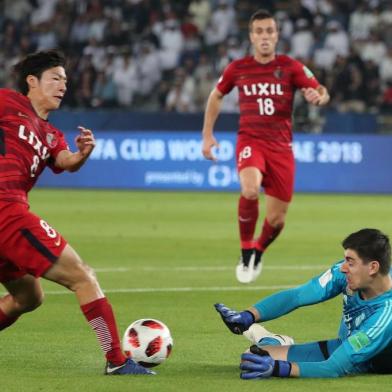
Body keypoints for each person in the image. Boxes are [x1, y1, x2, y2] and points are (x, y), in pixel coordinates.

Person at [0, 50, 153, 376]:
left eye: (65, 81)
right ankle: (116, 360)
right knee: (83, 276)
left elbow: (65, 162)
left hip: (8, 216)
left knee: (28, 297)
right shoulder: (7, 102)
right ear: (32, 81)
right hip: (6, 211)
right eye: (55, 78)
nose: (62, 86)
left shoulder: (50, 133)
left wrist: (83, 153)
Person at [201, 9, 330, 284]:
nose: (264, 36)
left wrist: (317, 98)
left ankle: (259, 249)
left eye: (269, 31)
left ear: (277, 35)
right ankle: (246, 249)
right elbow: (216, 95)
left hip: (281, 148)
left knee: (278, 219)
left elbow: (321, 91)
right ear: (251, 36)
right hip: (251, 140)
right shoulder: (237, 68)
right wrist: (207, 135)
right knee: (249, 190)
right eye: (259, 31)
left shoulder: (291, 66)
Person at [214, 228, 392, 378]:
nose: (343, 267)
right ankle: (275, 340)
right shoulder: (344, 273)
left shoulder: (385, 313)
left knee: (259, 364)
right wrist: (249, 315)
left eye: (350, 262)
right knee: (250, 359)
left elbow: (334, 368)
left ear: (373, 268)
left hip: (365, 362)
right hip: (345, 346)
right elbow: (298, 295)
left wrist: (278, 369)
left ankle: (271, 341)